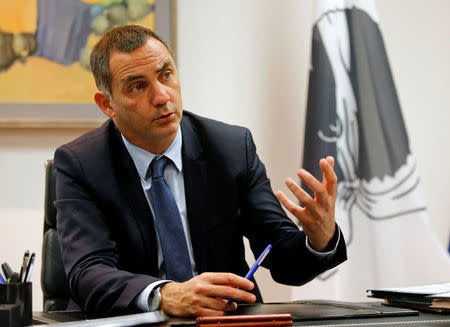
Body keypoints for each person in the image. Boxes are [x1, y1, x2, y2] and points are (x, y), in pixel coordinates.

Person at [54, 25, 347, 318]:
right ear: (107, 104)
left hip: (224, 320)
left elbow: (281, 257)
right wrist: (164, 295)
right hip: (134, 322)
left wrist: (319, 239)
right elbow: (88, 272)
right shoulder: (82, 164)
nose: (161, 96)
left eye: (166, 75)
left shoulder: (230, 148)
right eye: (137, 86)